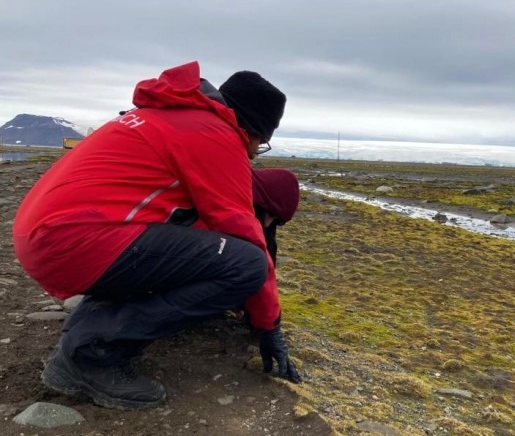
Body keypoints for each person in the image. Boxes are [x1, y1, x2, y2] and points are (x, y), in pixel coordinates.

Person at [13, 61, 300, 411]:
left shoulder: (167, 116)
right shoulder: (214, 134)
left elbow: (191, 240)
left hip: (46, 235)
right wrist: (269, 325)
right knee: (247, 265)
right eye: (260, 142)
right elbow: (246, 236)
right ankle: (91, 354)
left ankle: (89, 330)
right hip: (76, 241)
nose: (254, 153)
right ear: (251, 128)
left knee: (189, 251)